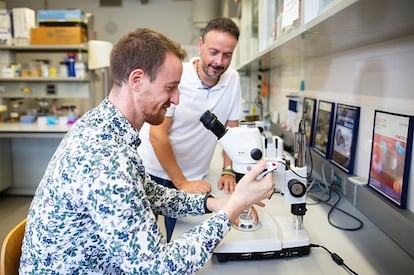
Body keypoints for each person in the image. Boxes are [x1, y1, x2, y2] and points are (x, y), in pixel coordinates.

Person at [19, 28, 274, 274]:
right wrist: (233, 209)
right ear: (137, 81)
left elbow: (148, 192)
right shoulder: (105, 158)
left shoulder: (104, 126)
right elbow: (155, 268)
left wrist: (214, 203)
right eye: (170, 87)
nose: (176, 99)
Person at [137, 17, 242, 241]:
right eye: (213, 51)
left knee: (178, 237)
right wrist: (182, 183)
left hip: (195, 175)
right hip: (154, 171)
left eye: (227, 55)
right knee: (146, 240)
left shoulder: (232, 79)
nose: (219, 61)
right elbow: (157, 136)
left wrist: (228, 169)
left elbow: (231, 130)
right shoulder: (178, 76)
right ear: (201, 44)